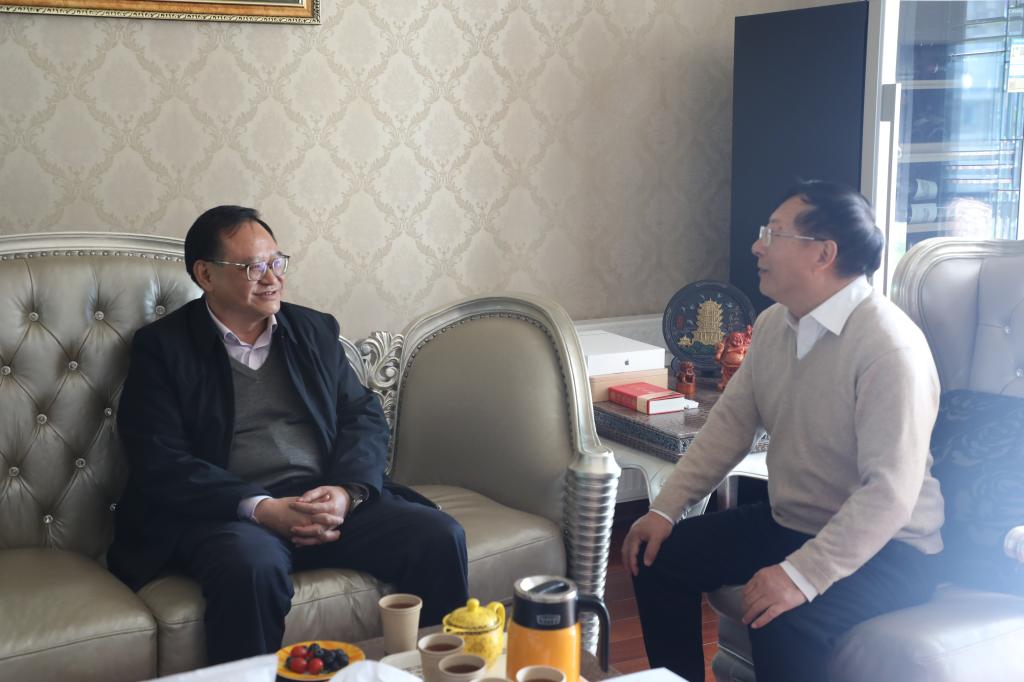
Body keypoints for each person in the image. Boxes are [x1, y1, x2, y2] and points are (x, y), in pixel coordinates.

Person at [108, 206, 469, 664]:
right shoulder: (162, 347)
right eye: (253, 267)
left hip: (322, 498)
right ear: (205, 275)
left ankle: (437, 673)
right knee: (250, 566)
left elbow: (361, 415)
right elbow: (160, 460)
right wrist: (261, 508)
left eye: (277, 262)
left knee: (439, 535)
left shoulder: (313, 330)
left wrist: (346, 492)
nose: (272, 278)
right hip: (230, 515)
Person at [622, 181, 944, 682]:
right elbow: (727, 428)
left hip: (890, 549)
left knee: (779, 618)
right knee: (658, 557)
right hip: (792, 522)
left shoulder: (888, 346)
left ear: (824, 253)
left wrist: (801, 575)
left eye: (773, 234)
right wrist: (665, 509)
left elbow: (890, 495)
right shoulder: (775, 325)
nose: (757, 246)